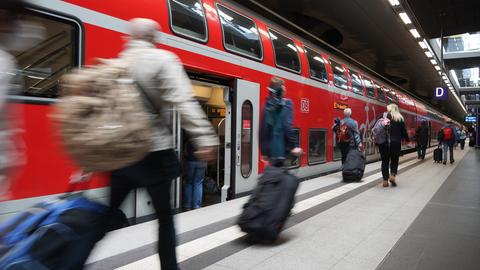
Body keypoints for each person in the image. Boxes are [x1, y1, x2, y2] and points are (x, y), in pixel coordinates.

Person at [95, 18, 218, 270]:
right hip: (152, 152)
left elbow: (104, 112)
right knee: (165, 219)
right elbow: (183, 101)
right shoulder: (162, 60)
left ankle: (72, 258)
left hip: (121, 153)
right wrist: (204, 138)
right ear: (154, 38)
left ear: (129, 37)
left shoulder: (116, 64)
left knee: (105, 217)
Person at [260, 77, 302, 167]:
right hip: (281, 153)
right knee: (284, 178)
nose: (285, 89)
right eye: (283, 87)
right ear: (281, 90)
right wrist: (294, 146)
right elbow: (287, 126)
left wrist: (264, 153)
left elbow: (263, 130)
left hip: (270, 155)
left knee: (270, 178)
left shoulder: (266, 105)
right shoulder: (287, 104)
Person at [381, 104, 409, 187]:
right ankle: (392, 175)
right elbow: (404, 131)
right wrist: (407, 139)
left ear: (389, 109)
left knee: (385, 161)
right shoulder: (400, 118)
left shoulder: (383, 116)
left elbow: (377, 127)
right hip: (396, 143)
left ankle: (385, 181)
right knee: (394, 160)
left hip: (384, 142)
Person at [183, 133, 207, 210]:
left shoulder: (189, 140)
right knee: (198, 183)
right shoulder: (204, 139)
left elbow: (185, 152)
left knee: (189, 183)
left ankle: (187, 205)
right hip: (202, 162)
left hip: (190, 162)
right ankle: (197, 206)